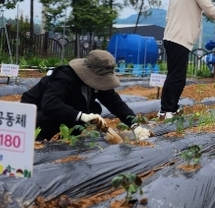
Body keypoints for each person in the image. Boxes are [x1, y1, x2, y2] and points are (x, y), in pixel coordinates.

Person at [21, 49, 151, 141]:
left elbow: (115, 103)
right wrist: (82, 116)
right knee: (75, 113)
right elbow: (50, 105)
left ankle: (69, 138)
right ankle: (44, 142)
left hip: (62, 113)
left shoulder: (96, 85)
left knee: (94, 109)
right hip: (35, 116)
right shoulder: (64, 79)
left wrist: (135, 126)